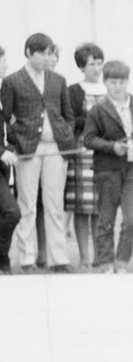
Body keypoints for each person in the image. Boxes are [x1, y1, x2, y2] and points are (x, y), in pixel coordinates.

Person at [1, 33, 76, 273]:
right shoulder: (12, 81)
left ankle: (58, 259)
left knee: (55, 205)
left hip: (55, 149)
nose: (47, 57)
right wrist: (17, 140)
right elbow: (6, 118)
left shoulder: (58, 80)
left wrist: (65, 133)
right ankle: (26, 259)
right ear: (28, 53)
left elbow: (68, 115)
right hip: (27, 151)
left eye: (49, 53)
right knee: (28, 204)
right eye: (42, 53)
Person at [82, 60, 133, 274]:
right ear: (105, 82)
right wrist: (111, 147)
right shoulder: (98, 109)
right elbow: (88, 139)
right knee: (105, 219)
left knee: (132, 220)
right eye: (113, 82)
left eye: (122, 82)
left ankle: (122, 262)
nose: (118, 86)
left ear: (128, 82)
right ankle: (105, 263)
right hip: (107, 170)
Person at [66, 41, 107, 269]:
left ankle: (99, 255)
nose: (96, 68)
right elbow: (70, 120)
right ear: (82, 66)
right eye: (92, 64)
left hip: (104, 152)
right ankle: (83, 257)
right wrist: (93, 119)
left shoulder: (109, 89)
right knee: (82, 207)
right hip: (81, 152)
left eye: (100, 63)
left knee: (100, 206)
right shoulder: (74, 91)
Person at [0, 46, 21, 273]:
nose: (6, 65)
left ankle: (3, 260)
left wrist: (11, 146)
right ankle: (2, 259)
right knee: (11, 212)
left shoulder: (2, 91)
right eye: (3, 60)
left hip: (4, 167)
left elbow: (6, 129)